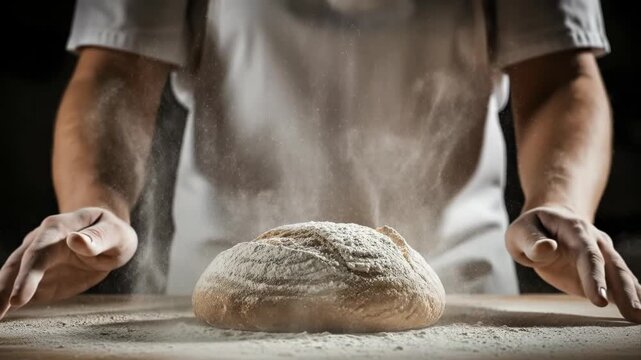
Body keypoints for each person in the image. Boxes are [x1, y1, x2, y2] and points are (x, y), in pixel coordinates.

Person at [1, 0, 639, 323]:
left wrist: (558, 203)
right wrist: (97, 209)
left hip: (456, 287)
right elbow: (116, 65)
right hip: (228, 297)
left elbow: (560, 72)